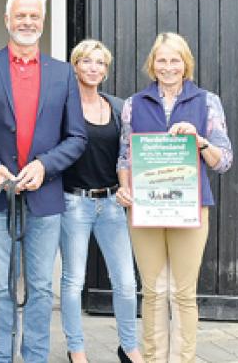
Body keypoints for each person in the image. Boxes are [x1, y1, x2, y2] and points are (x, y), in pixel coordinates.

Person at [0, 0, 87, 363]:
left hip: (45, 198)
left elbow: (76, 137)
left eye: (34, 16)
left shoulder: (63, 74)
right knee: (1, 286)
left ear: (42, 22)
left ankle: (35, 358)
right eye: (20, 15)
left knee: (42, 288)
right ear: (7, 19)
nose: (27, 21)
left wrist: (45, 166)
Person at [116, 32, 233, 363]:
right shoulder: (133, 104)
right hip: (145, 209)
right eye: (162, 60)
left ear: (186, 64)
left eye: (175, 60)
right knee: (152, 292)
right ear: (152, 64)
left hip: (190, 208)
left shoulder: (207, 101)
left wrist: (200, 141)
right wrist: (124, 187)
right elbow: (125, 156)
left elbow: (224, 160)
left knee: (183, 293)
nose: (168, 66)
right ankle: (153, 359)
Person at [59, 40, 143, 363]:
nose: (94, 68)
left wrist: (129, 188)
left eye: (100, 63)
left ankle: (129, 346)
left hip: (111, 204)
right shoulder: (63, 108)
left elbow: (129, 155)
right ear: (75, 66)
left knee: (125, 281)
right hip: (74, 204)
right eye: (87, 61)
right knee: (73, 281)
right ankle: (76, 349)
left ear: (106, 70)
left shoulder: (119, 108)